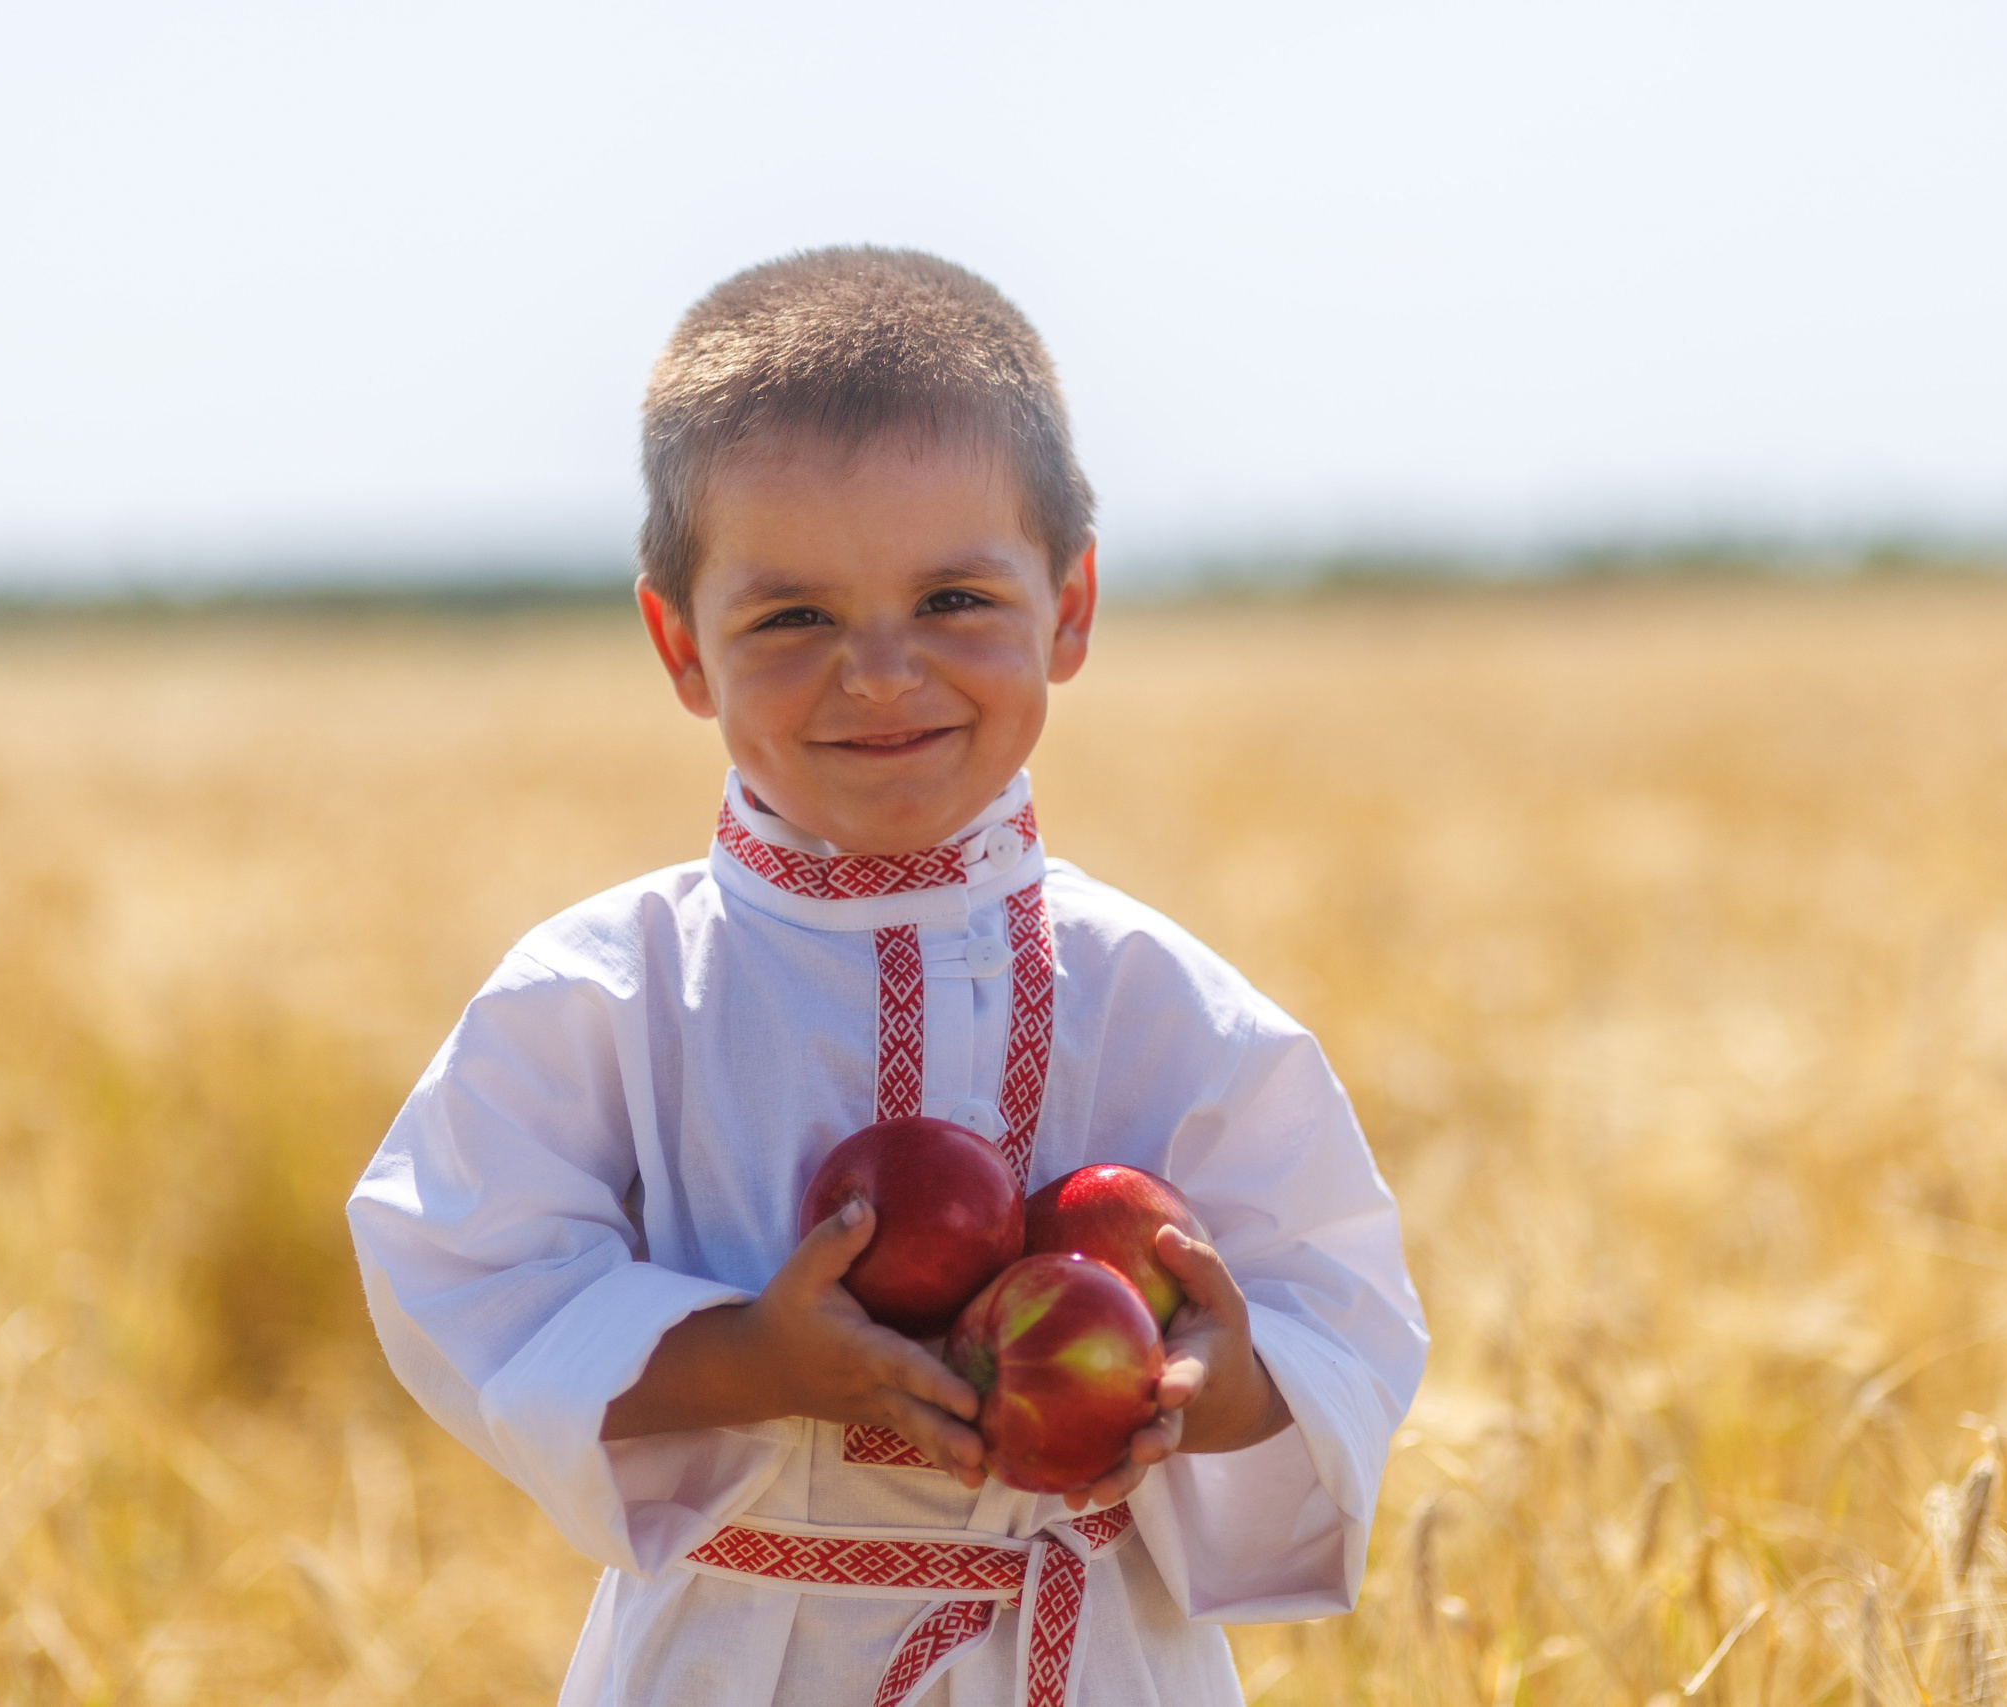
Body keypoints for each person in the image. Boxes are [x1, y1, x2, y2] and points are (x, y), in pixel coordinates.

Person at [347, 247, 1426, 1707]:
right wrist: (752, 1361)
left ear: (1070, 605)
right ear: (681, 645)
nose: (880, 672)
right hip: (737, 1659)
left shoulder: (1163, 1000)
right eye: (792, 618)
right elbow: (463, 1273)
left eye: (956, 600)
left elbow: (1340, 1312)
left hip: (1093, 1648)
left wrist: (1217, 1385)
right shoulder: (610, 993)